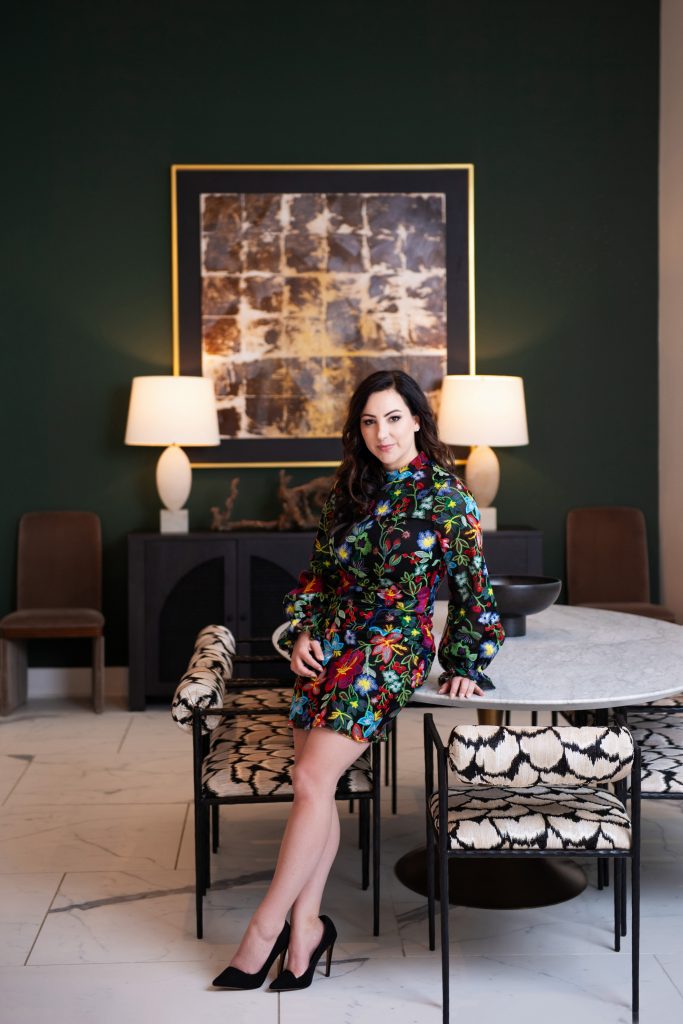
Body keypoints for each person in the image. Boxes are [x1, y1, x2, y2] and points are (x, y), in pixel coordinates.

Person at [212, 369, 505, 992]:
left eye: (394, 418)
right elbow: (319, 574)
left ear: (418, 419)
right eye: (370, 422)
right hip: (333, 638)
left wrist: (464, 664)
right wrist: (302, 632)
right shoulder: (349, 489)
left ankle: (263, 931)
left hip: (391, 646)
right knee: (315, 788)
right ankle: (307, 930)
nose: (382, 433)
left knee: (310, 779)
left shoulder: (448, 497)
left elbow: (473, 588)